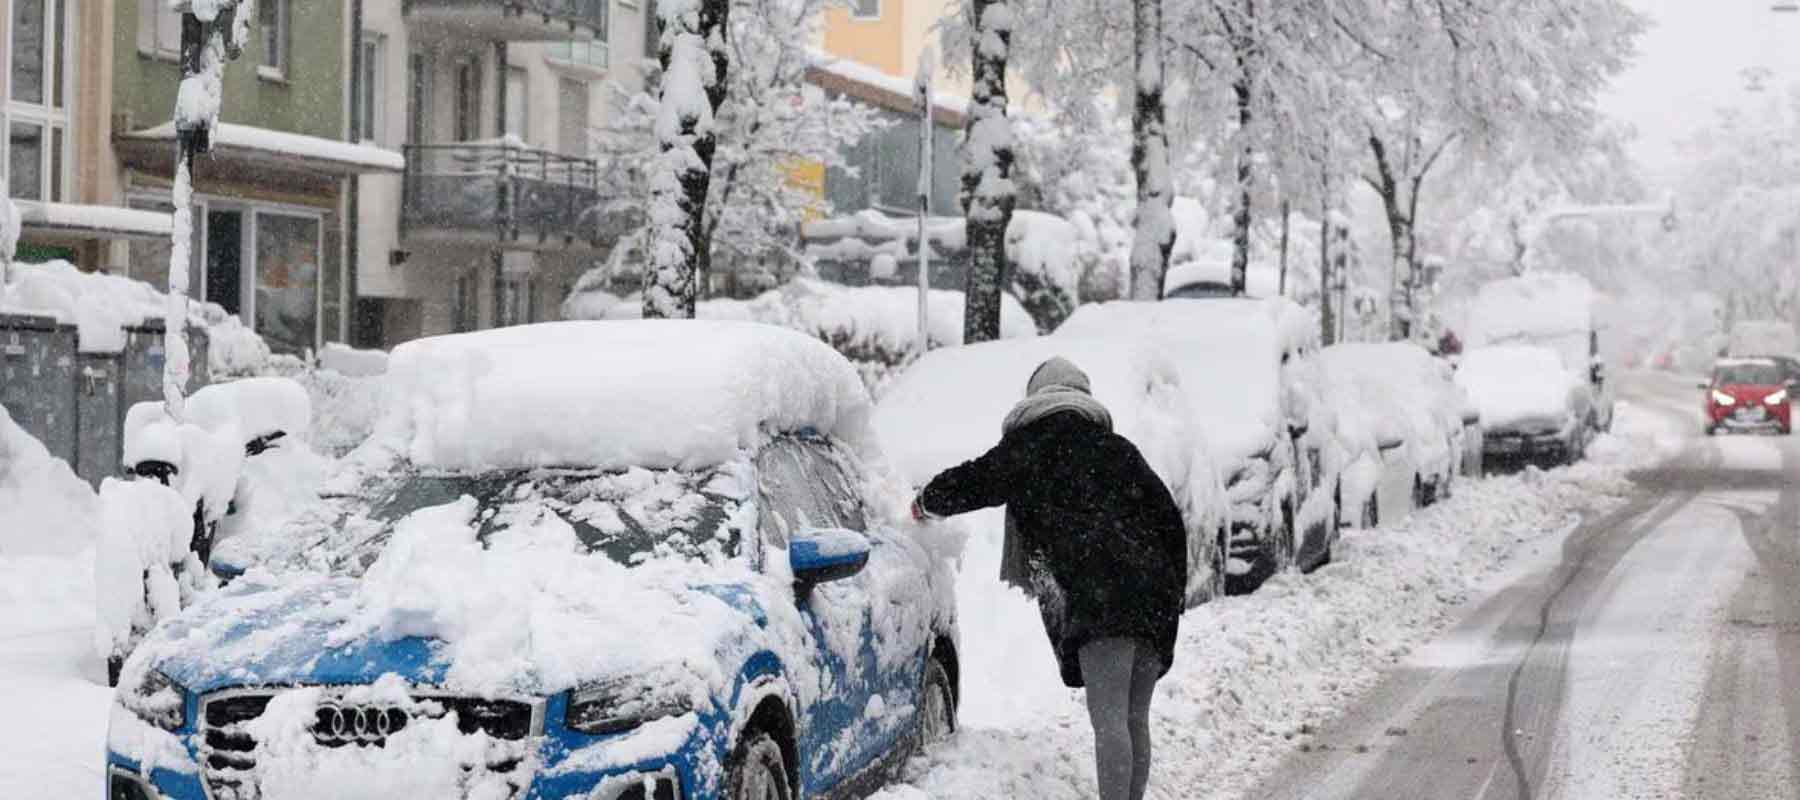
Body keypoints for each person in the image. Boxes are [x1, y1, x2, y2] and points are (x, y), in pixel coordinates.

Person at [910, 357, 1187, 800]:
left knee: (1110, 720)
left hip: (1103, 595)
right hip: (1153, 595)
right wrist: (1174, 595)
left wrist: (926, 501)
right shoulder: (1118, 449)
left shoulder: (1033, 445)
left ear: (1036, 398)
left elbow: (978, 480)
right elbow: (1169, 519)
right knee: (1135, 719)